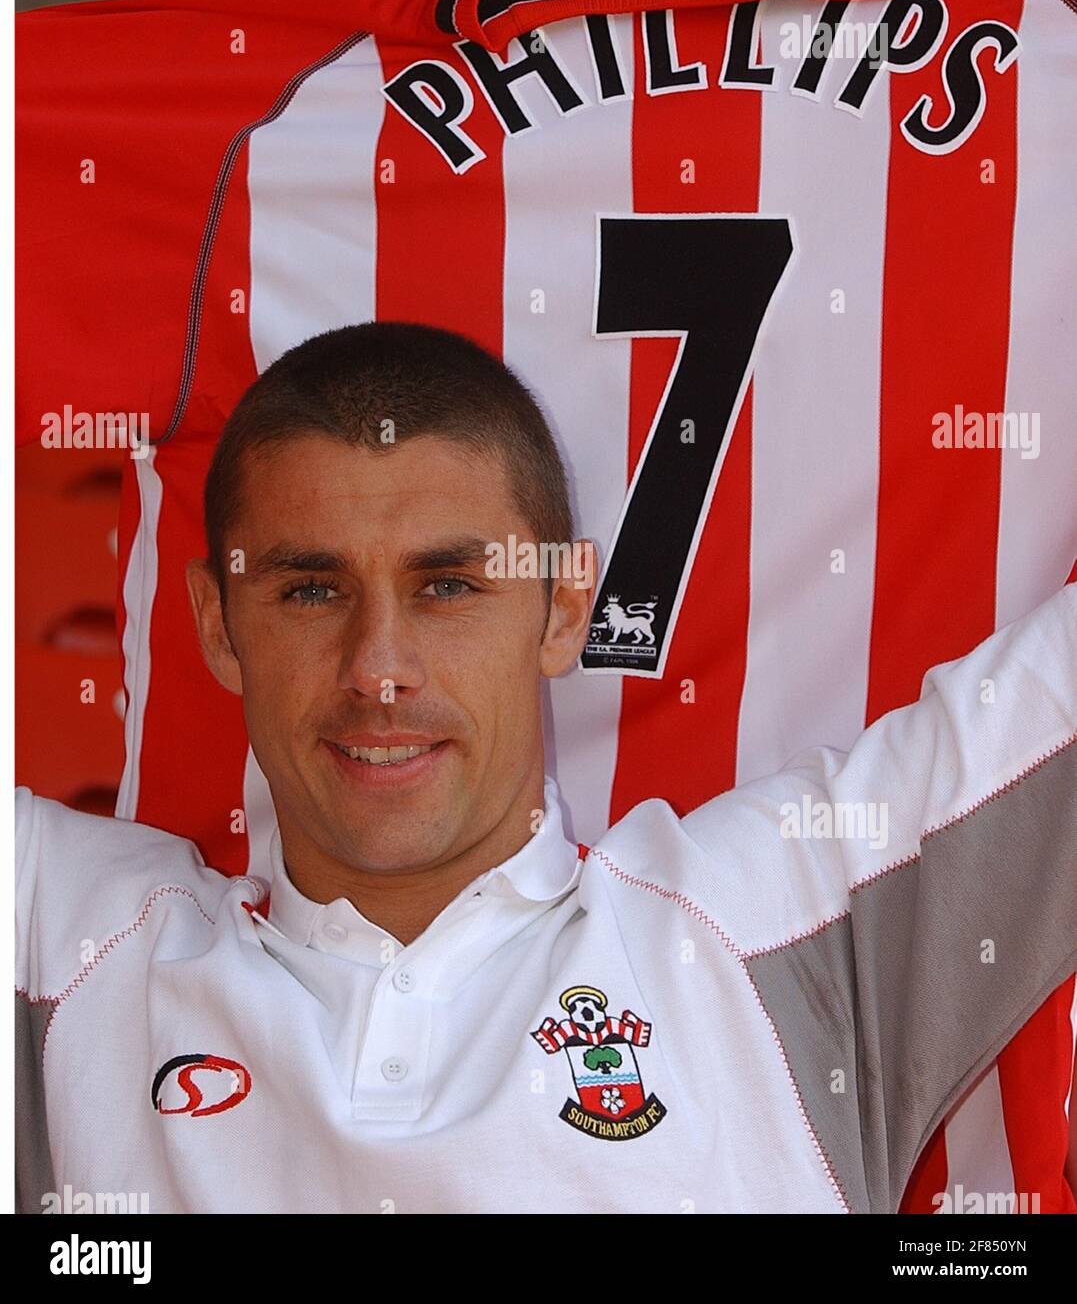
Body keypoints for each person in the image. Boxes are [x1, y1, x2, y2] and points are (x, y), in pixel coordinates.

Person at [16, 322, 1077, 1214]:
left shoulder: (771, 936)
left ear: (566, 608)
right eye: (310, 590)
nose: (378, 670)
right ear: (215, 622)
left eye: (448, 587)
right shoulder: (70, 953)